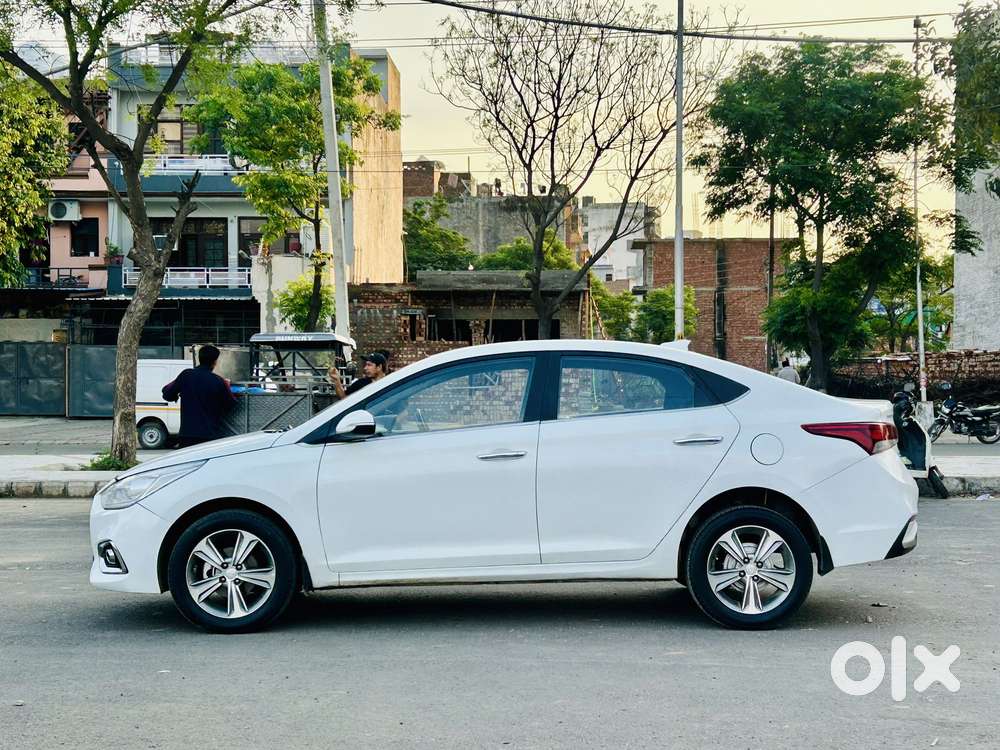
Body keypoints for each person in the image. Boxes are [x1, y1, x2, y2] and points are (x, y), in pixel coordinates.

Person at [162, 344, 236, 447]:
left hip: (187, 435)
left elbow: (167, 394)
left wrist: (177, 395)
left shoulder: (186, 375)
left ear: (199, 358)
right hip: (210, 436)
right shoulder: (219, 381)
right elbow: (231, 405)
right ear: (215, 362)